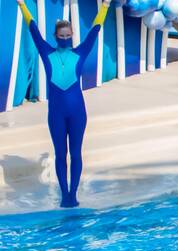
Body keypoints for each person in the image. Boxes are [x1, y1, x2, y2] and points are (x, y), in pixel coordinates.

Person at [17, 0, 109, 208]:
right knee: (60, 154)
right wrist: (22, 4)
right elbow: (32, 28)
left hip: (78, 113)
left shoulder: (80, 52)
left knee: (75, 153)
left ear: (72, 36)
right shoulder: (46, 52)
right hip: (56, 114)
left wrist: (105, 6)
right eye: (62, 36)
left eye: (69, 36)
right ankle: (64, 194)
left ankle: (73, 195)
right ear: (55, 36)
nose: (66, 39)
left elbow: (95, 29)